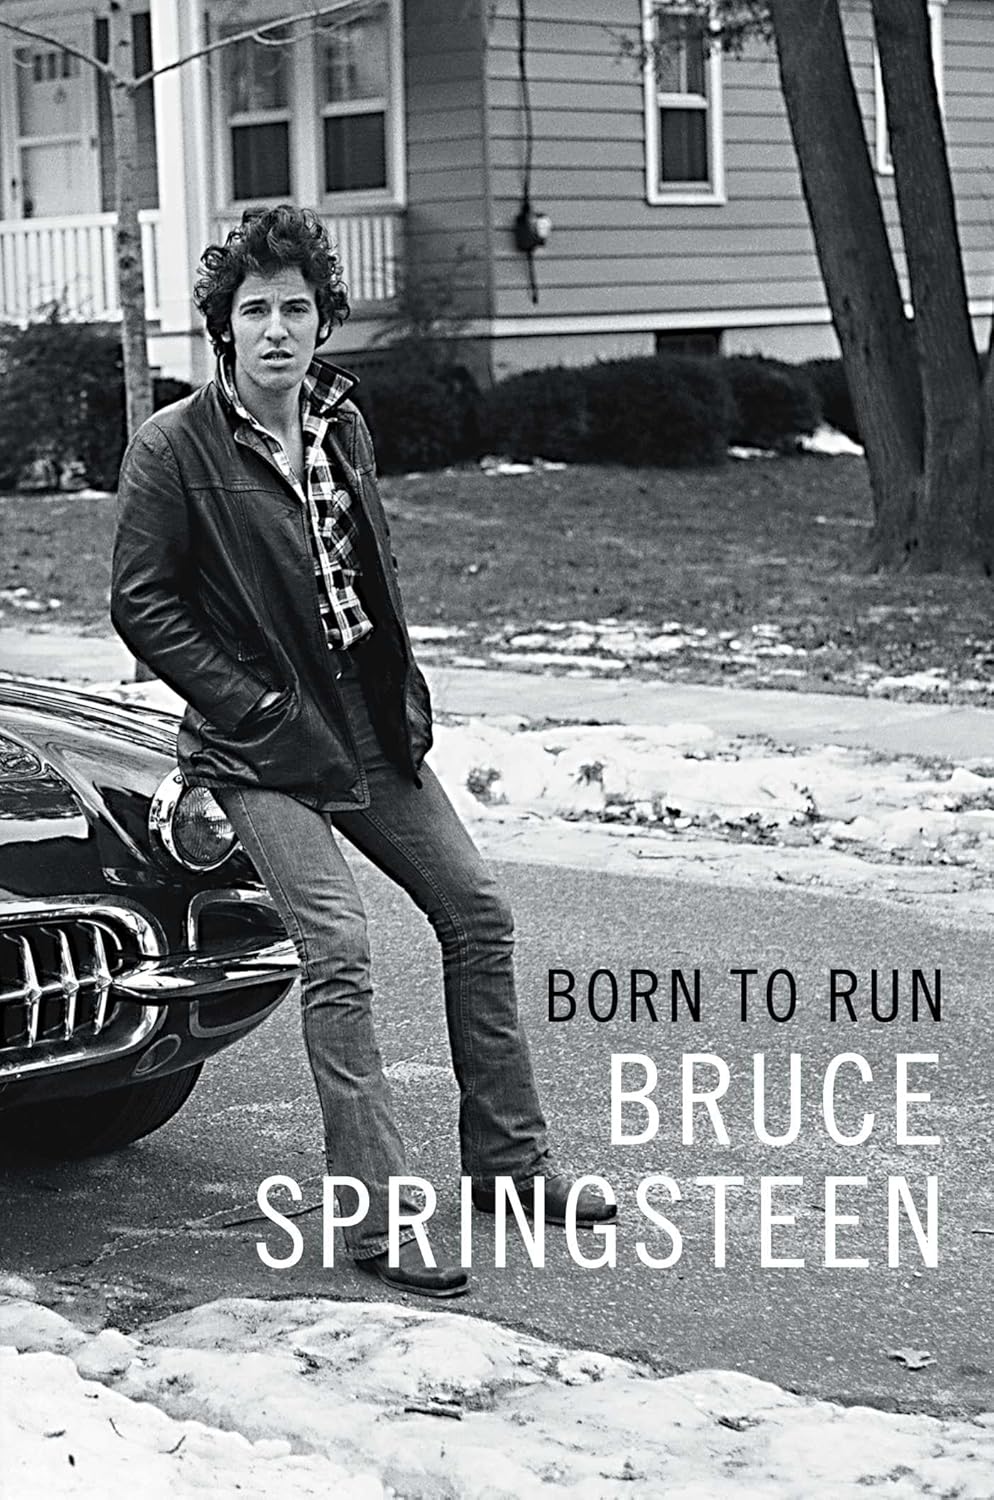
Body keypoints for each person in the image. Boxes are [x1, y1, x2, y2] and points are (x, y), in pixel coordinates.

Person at [111, 204, 615, 1299]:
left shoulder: (341, 422)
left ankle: (509, 1164)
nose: (277, 329)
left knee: (477, 912)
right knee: (338, 946)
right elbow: (143, 605)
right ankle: (379, 1216)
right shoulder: (174, 446)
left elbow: (367, 579)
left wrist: (399, 695)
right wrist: (252, 705)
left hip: (366, 723)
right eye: (255, 309)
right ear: (224, 326)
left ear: (322, 320)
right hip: (257, 741)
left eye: (296, 307)